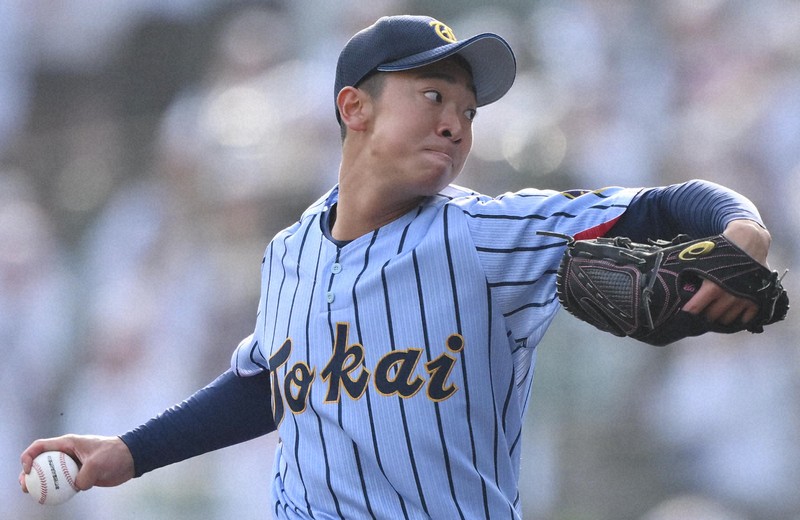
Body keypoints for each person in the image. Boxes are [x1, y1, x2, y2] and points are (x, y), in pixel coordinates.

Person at [20, 15, 774, 519]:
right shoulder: (290, 252)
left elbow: (673, 200)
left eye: (470, 111)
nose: (456, 123)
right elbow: (269, 382)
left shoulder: (489, 234)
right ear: (356, 108)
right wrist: (128, 452)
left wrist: (741, 227)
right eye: (434, 96)